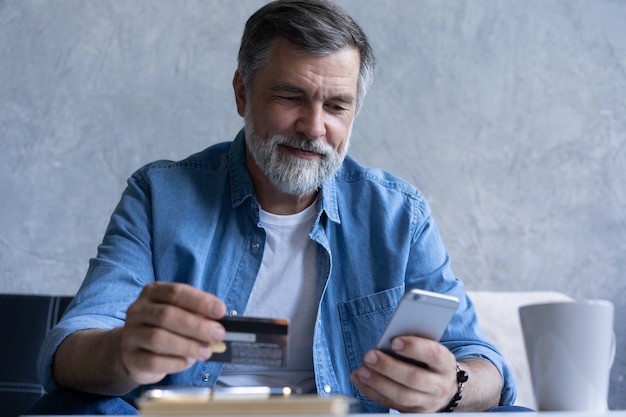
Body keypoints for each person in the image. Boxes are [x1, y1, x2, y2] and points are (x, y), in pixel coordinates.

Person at [31, 0, 520, 414]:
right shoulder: (161, 196)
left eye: (336, 106)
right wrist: (124, 354)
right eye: (291, 96)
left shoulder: (398, 216)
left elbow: (483, 364)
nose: (313, 126)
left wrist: (449, 386)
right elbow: (72, 344)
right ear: (242, 93)